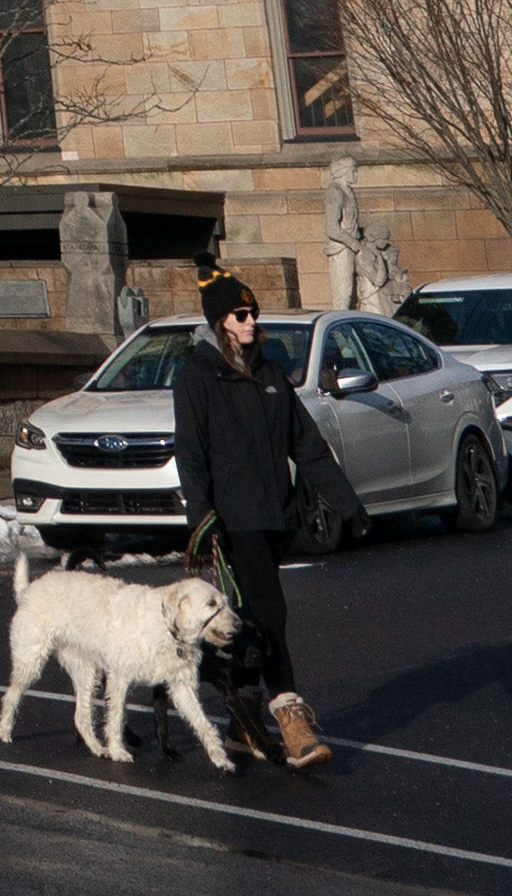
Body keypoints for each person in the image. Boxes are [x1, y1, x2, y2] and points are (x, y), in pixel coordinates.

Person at [166, 272, 340, 770]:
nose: (251, 322)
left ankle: (241, 718)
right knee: (270, 614)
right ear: (220, 321)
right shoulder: (197, 375)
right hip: (231, 520)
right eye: (242, 315)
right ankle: (292, 718)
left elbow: (305, 442)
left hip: (271, 517)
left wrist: (345, 503)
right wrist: (201, 517)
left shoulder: (268, 375)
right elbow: (190, 452)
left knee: (243, 621)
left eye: (253, 313)